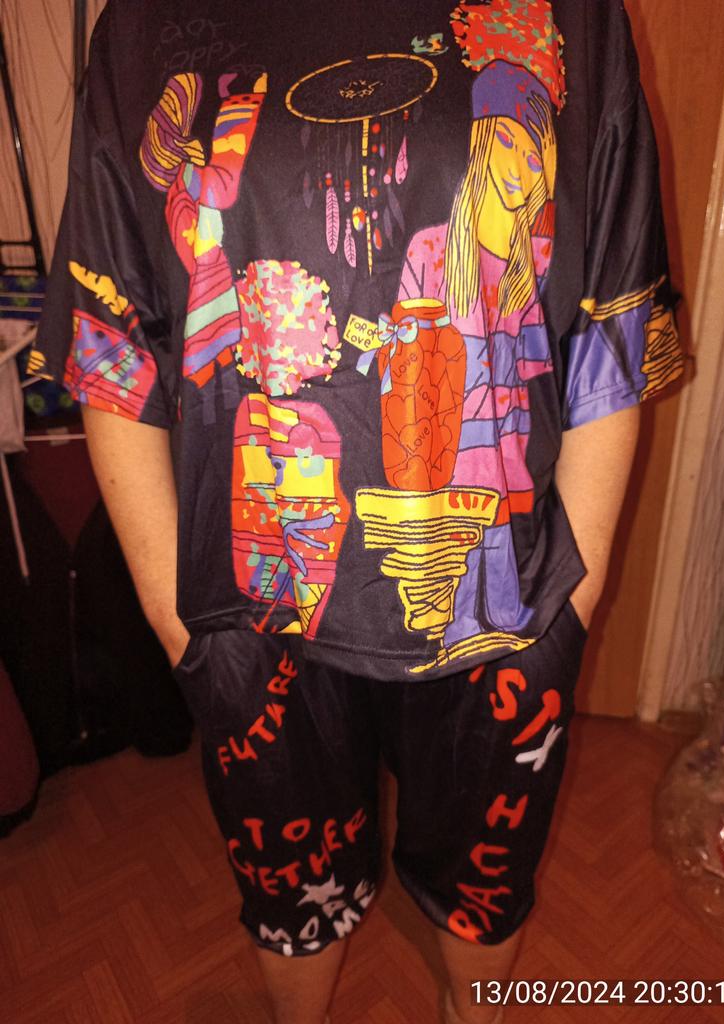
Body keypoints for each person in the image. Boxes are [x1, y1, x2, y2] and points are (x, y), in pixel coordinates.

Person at [33, 1, 685, 1021]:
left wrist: (573, 597)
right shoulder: (149, 28)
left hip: (497, 599)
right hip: (253, 598)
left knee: (482, 887)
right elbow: (109, 336)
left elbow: (616, 316)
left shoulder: (564, 17)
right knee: (293, 895)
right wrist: (174, 616)